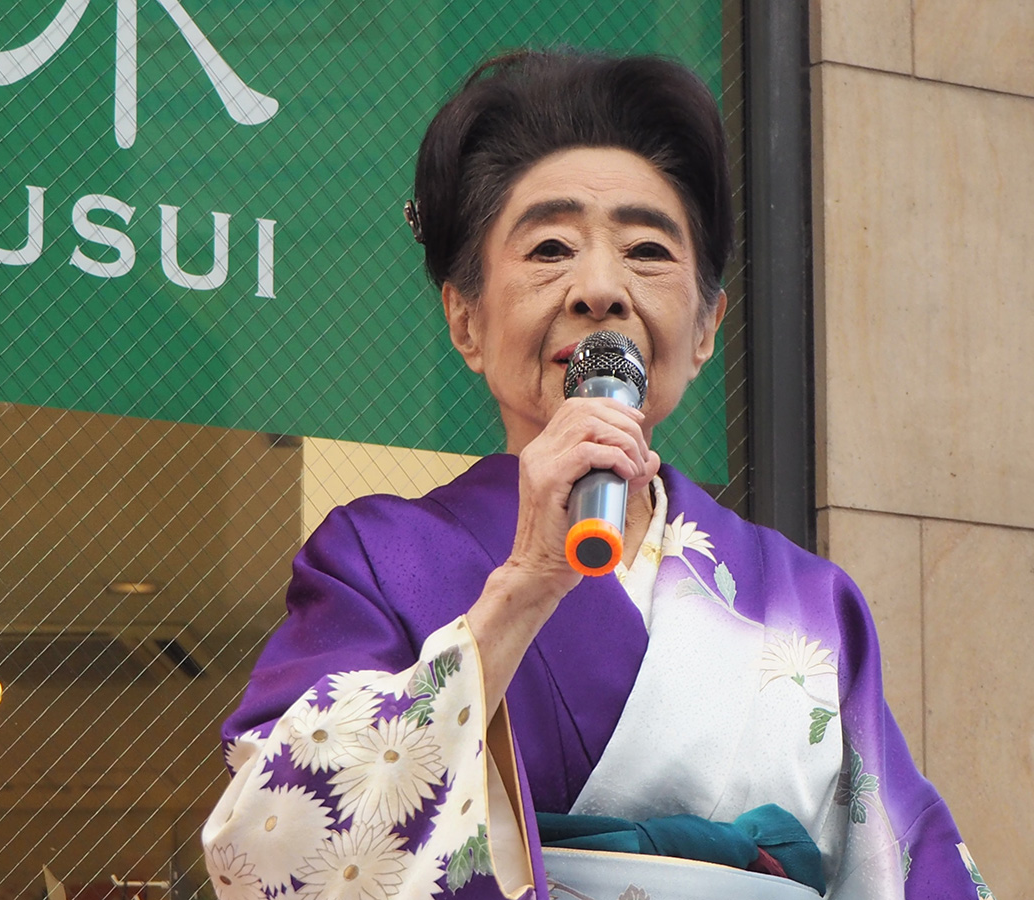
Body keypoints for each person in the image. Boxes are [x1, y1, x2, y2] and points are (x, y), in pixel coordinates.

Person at [201, 51, 990, 900]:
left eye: (648, 249)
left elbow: (908, 866)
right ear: (465, 318)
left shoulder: (808, 598)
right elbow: (268, 844)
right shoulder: (378, 559)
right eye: (549, 247)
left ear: (705, 326)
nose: (601, 288)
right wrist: (525, 587)